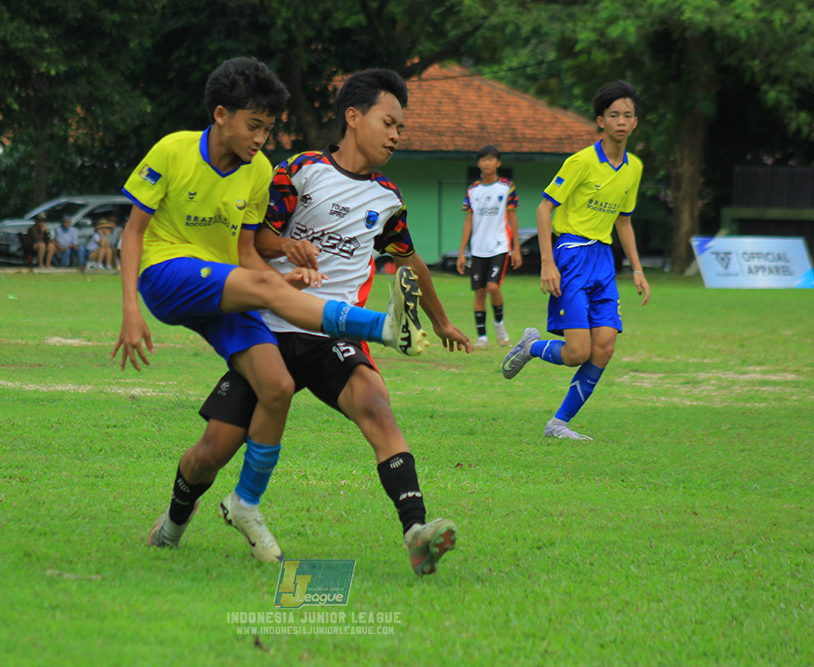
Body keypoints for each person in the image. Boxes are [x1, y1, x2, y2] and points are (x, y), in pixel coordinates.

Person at [147, 69, 468, 575]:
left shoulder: (387, 198)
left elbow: (409, 261)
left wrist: (443, 321)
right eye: (389, 122)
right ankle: (173, 522)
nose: (395, 136)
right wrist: (290, 248)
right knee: (210, 454)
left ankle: (416, 531)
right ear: (353, 117)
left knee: (377, 409)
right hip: (270, 328)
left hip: (331, 335)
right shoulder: (299, 170)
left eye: (400, 129)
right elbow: (256, 241)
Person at [501, 80, 651, 440]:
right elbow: (543, 208)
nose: (621, 121)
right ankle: (531, 347)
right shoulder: (581, 161)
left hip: (603, 259)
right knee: (576, 352)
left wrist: (638, 269)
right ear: (600, 120)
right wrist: (547, 262)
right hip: (570, 254)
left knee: (604, 347)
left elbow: (624, 220)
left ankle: (558, 425)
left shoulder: (634, 167)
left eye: (627, 115)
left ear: (635, 123)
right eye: (613, 115)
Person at [456, 145, 521, 349]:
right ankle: (482, 337)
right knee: (480, 292)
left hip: (500, 246)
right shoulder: (472, 190)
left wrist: (516, 248)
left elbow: (512, 218)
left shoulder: (507, 187)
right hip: (477, 249)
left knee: (493, 286)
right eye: (483, 159)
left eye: (491, 159)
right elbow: (468, 221)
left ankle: (500, 326)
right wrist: (461, 252)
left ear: (498, 163)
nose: (487, 163)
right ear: (478, 163)